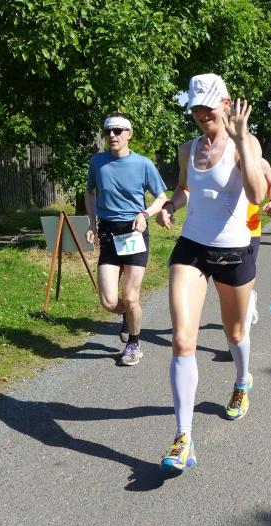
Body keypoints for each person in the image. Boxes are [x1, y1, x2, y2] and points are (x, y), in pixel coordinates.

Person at [155, 73, 265, 473]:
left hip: (234, 250)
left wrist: (242, 140)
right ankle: (183, 438)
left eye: (208, 107)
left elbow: (257, 194)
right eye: (196, 109)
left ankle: (241, 381)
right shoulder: (188, 148)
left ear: (226, 104)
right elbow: (185, 189)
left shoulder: (246, 143)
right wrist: (171, 205)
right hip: (192, 248)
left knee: (234, 334)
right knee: (182, 339)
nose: (202, 115)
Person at [84, 112, 168, 366]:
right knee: (109, 301)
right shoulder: (97, 162)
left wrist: (145, 214)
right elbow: (90, 192)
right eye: (108, 131)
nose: (112, 135)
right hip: (108, 234)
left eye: (118, 131)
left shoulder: (143, 164)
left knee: (131, 297)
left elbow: (162, 197)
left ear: (129, 134)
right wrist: (92, 223)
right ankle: (128, 315)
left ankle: (133, 343)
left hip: (134, 232)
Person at [243, 158, 271, 326]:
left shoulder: (259, 162)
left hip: (250, 229)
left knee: (245, 274)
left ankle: (248, 301)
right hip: (221, 231)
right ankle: (248, 297)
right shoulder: (214, 157)